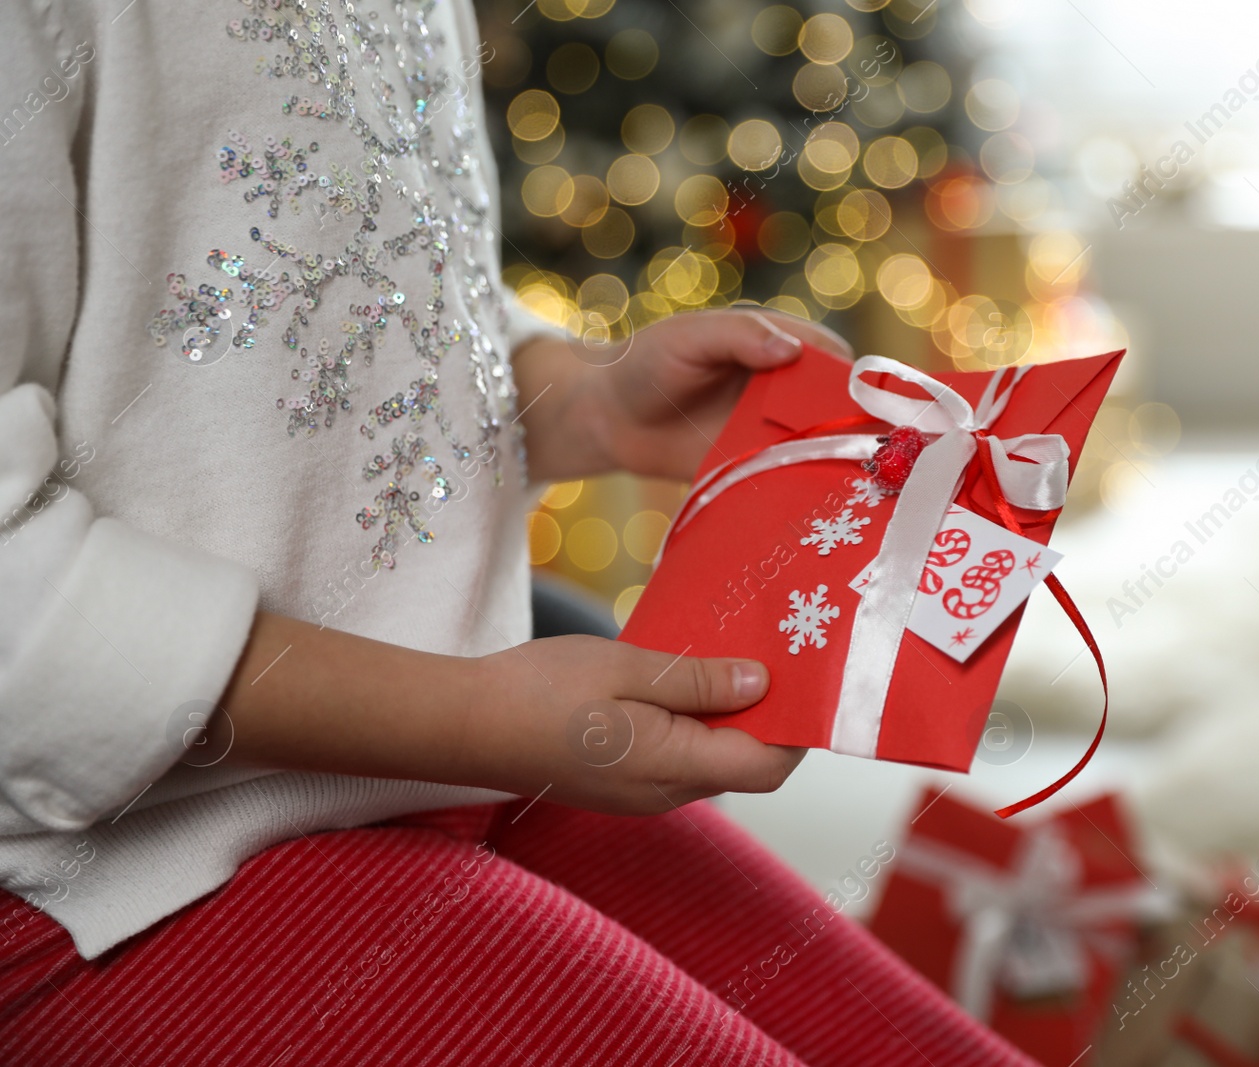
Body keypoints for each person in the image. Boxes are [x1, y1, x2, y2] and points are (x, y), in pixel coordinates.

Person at [0, 2, 1039, 1064]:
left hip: (425, 770)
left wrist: (582, 396)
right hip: (105, 873)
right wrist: (473, 719)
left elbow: (362, 281)